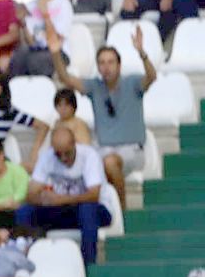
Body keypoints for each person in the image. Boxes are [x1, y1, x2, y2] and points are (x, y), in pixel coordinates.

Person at [53, 36, 155, 211]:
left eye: (110, 62)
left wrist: (142, 53)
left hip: (132, 150)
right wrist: (55, 51)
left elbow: (151, 77)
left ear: (119, 65)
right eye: (101, 63)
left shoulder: (132, 82)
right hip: (103, 148)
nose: (106, 67)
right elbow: (65, 78)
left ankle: (120, 210)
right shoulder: (94, 86)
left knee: (108, 162)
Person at [16, 126, 112, 265]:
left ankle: (88, 263)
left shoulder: (89, 155)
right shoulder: (47, 157)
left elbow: (94, 195)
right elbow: (30, 194)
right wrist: (44, 199)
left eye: (67, 153)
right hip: (62, 210)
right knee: (24, 211)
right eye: (58, 154)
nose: (63, 158)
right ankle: (27, 260)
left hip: (95, 211)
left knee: (87, 209)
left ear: (74, 144)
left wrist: (60, 200)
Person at [11, 0, 73, 78]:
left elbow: (55, 42)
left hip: (58, 52)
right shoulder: (31, 5)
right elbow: (30, 42)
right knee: (19, 56)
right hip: (36, 49)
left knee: (34, 61)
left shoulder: (63, 3)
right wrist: (23, 22)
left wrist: (45, 14)